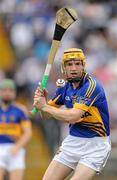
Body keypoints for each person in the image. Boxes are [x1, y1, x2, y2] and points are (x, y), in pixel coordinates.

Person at [33, 48, 111, 180]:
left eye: (78, 64)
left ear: (83, 65)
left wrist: (45, 107)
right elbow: (45, 115)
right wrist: (42, 104)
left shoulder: (91, 86)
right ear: (64, 68)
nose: (74, 68)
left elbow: (73, 116)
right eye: (69, 64)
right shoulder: (64, 87)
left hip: (95, 145)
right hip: (72, 142)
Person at [0, 79, 32, 180]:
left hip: (15, 149)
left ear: (14, 93)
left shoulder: (20, 110)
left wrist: (17, 147)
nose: (7, 93)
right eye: (4, 90)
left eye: (10, 90)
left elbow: (28, 133)